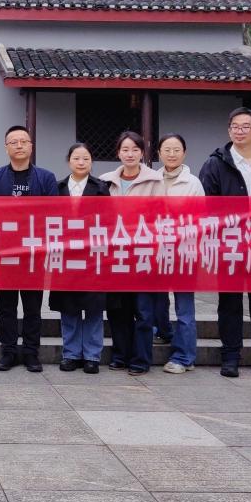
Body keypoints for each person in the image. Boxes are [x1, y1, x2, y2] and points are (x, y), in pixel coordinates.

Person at [199, 107, 251, 379]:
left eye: (246, 126)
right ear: (229, 131)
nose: (239, 131)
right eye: (235, 126)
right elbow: (206, 205)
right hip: (230, 242)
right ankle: (230, 356)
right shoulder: (215, 164)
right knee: (229, 302)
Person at [0, 125, 58, 372]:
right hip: (5, 253)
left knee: (32, 307)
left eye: (23, 141)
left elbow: (54, 214)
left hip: (34, 254)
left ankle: (30, 352)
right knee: (6, 307)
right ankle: (8, 352)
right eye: (13, 142)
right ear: (6, 148)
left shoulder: (45, 178)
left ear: (31, 146)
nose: (19, 146)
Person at [99, 131, 164, 376]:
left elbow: (161, 217)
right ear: (118, 153)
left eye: (135, 150)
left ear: (142, 153)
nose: (130, 154)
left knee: (143, 311)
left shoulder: (155, 181)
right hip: (116, 255)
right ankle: (120, 355)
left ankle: (141, 359)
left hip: (143, 254)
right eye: (125, 150)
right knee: (118, 309)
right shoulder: (105, 181)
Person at [49, 142, 110, 374]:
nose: (81, 162)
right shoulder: (57, 188)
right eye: (76, 158)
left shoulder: (101, 188)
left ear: (92, 162)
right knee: (69, 307)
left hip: (93, 257)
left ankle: (92, 356)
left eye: (86, 158)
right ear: (69, 161)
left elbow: (108, 221)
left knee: (94, 308)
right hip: (66, 257)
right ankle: (71, 354)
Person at [154, 133, 204, 374]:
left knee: (184, 307)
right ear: (159, 153)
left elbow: (201, 219)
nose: (171, 154)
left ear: (184, 153)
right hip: (157, 250)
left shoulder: (193, 183)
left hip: (185, 251)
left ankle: (185, 356)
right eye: (167, 149)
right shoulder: (152, 180)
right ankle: (164, 333)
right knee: (157, 301)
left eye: (176, 150)